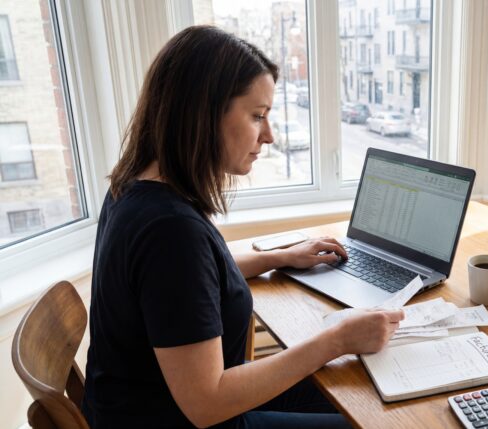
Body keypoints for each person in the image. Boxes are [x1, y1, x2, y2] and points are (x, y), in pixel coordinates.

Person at [82, 26, 404, 429]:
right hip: (197, 417)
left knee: (363, 391)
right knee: (381, 421)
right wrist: (337, 339)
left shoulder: (135, 185)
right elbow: (207, 403)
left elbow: (187, 283)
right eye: (257, 116)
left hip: (143, 407)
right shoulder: (171, 231)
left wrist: (280, 257)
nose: (269, 135)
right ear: (203, 113)